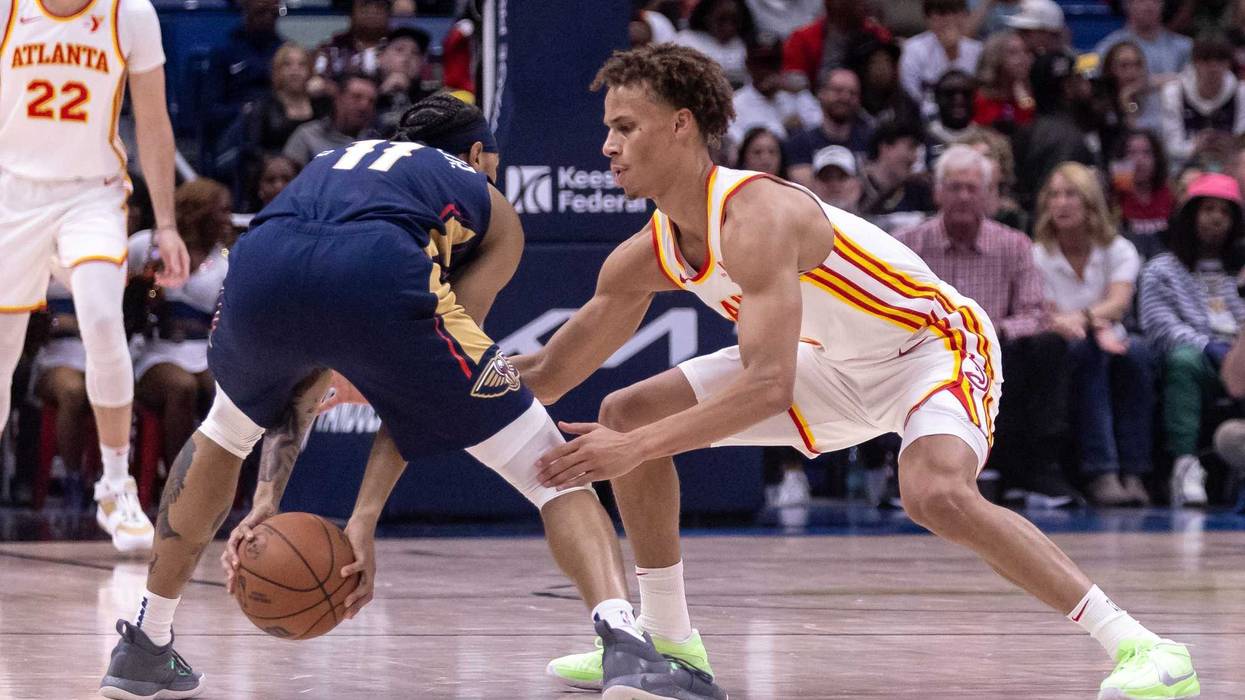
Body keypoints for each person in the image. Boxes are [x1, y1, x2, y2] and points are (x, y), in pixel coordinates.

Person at [528, 44, 1199, 700]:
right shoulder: (645, 253)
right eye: (608, 130)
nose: (608, 147)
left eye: (624, 128)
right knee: (627, 411)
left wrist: (634, 449)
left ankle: (1144, 648)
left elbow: (767, 385)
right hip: (828, 362)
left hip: (930, 347)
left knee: (933, 494)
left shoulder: (756, 217)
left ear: (680, 125)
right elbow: (549, 374)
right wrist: (445, 369)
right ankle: (668, 639)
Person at [97, 95, 725, 700]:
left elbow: (316, 359)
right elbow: (426, 384)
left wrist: (267, 498)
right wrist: (363, 521)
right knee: (551, 469)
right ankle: (626, 645)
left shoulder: (332, 162)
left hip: (261, 265)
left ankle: (146, 642)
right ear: (479, 156)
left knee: (225, 431)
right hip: (377, 269)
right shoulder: (488, 202)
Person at [0, 0, 190, 552]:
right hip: (11, 192)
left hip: (92, 193)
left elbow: (153, 124)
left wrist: (167, 223)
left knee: (105, 320)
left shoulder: (130, 14)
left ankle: (115, 483)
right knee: (4, 351)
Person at [1032, 163, 1154, 506]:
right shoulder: (1039, 254)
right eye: (1054, 195)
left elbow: (1117, 304)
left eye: (1071, 195)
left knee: (1139, 355)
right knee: (1088, 355)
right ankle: (1102, 471)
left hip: (1109, 333)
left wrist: (1087, 320)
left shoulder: (1118, 249)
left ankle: (1135, 471)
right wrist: (1088, 326)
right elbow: (1046, 313)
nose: (1061, 204)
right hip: (1063, 342)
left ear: (1090, 203)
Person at [1138, 172, 1245, 507]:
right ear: (1189, 216)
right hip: (1199, 359)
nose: (1217, 219)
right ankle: (1185, 465)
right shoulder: (1162, 269)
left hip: (1241, 354)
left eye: (1225, 212)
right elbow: (1159, 326)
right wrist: (1205, 346)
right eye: (1208, 209)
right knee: (1183, 360)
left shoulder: (1240, 268)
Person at [129, 180, 232, 471]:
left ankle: (218, 479)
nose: (228, 218)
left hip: (203, 351)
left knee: (228, 392)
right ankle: (178, 479)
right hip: (155, 350)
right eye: (221, 211)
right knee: (181, 386)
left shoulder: (224, 261)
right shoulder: (146, 246)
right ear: (200, 212)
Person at [784, 68, 874, 188]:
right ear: (821, 93)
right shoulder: (800, 142)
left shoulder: (871, 141)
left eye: (853, 93)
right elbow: (804, 189)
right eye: (838, 91)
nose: (845, 97)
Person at [899, 0, 984, 120]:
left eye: (954, 12)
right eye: (941, 13)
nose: (949, 19)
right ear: (927, 19)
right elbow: (911, 96)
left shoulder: (978, 50)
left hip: (970, 122)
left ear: (966, 15)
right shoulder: (913, 49)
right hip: (925, 121)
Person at [282, 73, 379, 166]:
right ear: (338, 99)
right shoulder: (307, 136)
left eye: (371, 101)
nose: (364, 106)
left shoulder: (377, 144)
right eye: (356, 97)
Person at [1094, 0, 1192, 83]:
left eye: (1155, 1)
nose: (1148, 6)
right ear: (1127, 5)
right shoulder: (1108, 47)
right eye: (1141, 0)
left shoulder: (1185, 47)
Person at [1113, 129, 1174, 260]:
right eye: (1131, 153)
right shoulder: (1113, 200)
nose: (1139, 160)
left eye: (1146, 153)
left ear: (1157, 159)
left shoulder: (1171, 195)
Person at [973, 30, 1035, 134]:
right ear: (996, 57)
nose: (1023, 58)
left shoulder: (1027, 95)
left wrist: (1022, 95)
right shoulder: (980, 98)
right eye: (1013, 53)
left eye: (1026, 51)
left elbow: (1030, 120)